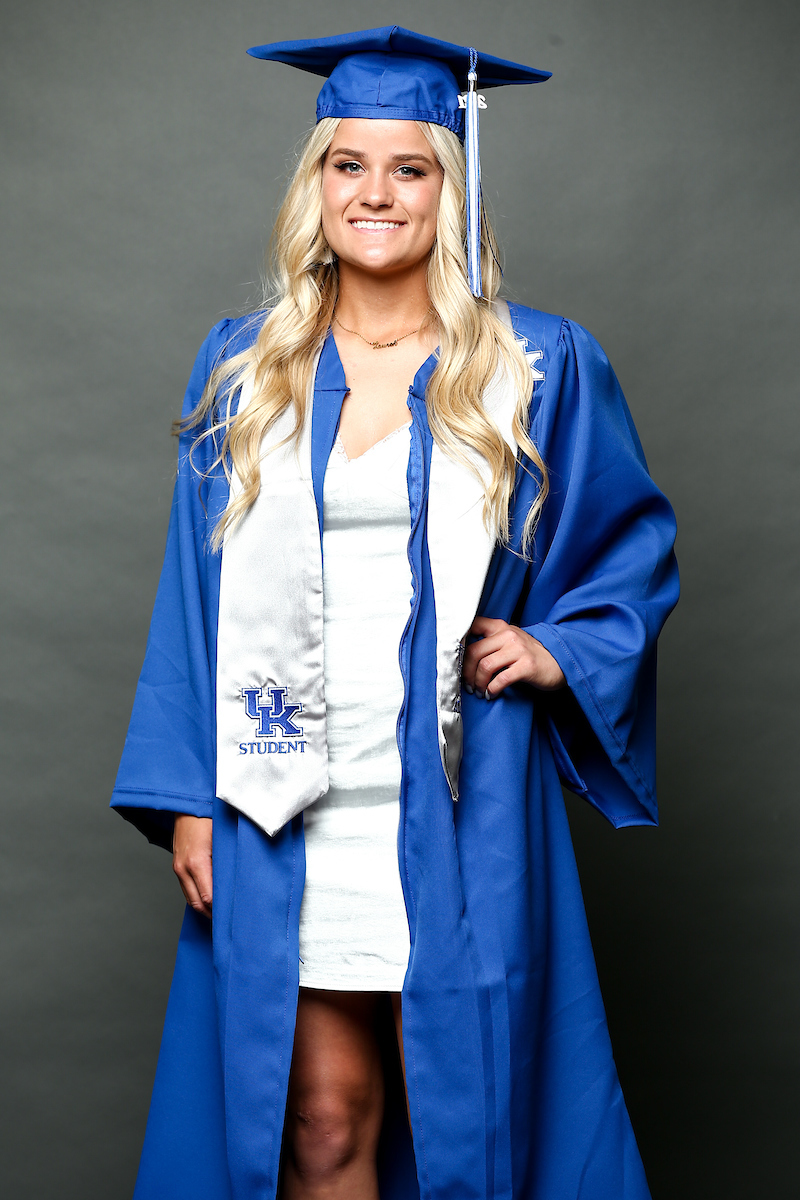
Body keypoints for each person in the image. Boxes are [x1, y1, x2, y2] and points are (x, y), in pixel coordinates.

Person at [111, 25, 679, 1200]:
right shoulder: (243, 367)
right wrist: (186, 801)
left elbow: (630, 546)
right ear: (313, 185)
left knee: (470, 1109)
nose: (374, 194)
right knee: (317, 1121)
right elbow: (192, 591)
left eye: (408, 168)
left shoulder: (535, 363)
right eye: (346, 166)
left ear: (448, 188)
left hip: (456, 788)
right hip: (283, 798)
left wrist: (556, 646)